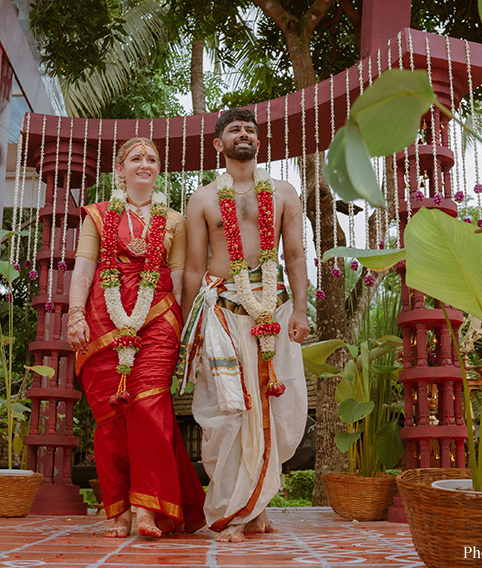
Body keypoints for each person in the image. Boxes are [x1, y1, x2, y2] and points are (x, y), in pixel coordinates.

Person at [179, 108, 309, 543]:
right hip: (221, 315)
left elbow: (294, 257)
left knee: (272, 410)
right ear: (219, 144)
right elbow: (194, 269)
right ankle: (230, 511)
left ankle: (256, 509)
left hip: (273, 312)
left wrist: (302, 312)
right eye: (234, 129)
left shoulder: (286, 193)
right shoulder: (202, 199)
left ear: (258, 143)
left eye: (250, 130)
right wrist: (185, 329)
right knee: (226, 415)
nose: (244, 135)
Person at [68, 137, 206, 539]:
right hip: (102, 320)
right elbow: (83, 270)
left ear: (158, 170)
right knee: (110, 415)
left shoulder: (175, 221)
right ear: (120, 169)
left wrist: (183, 328)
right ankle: (119, 509)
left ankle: (149, 507)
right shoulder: (96, 215)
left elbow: (179, 280)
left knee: (149, 406)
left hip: (159, 318)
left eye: (152, 159)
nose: (144, 163)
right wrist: (76, 315)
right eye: (136, 158)